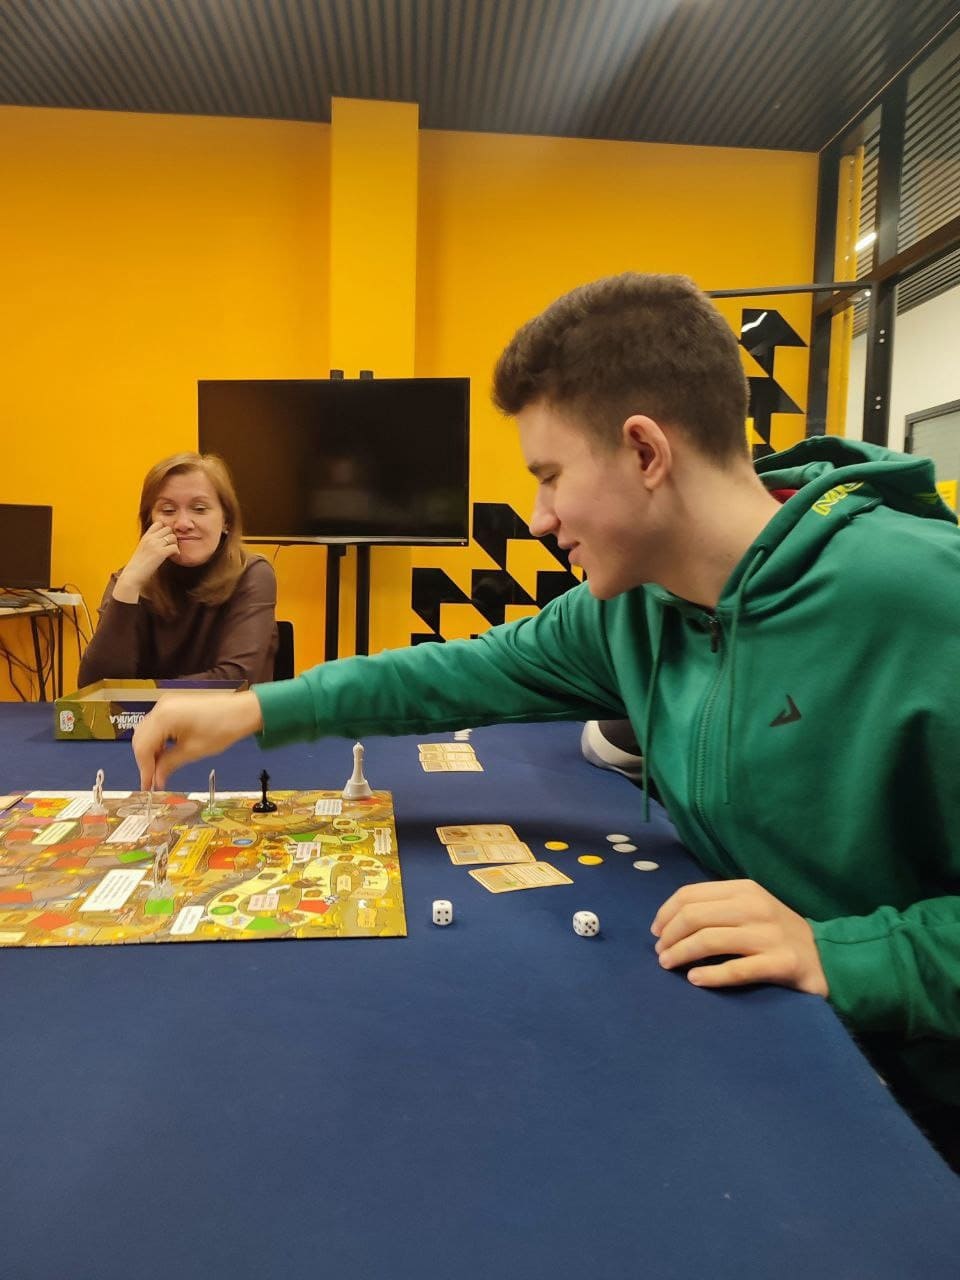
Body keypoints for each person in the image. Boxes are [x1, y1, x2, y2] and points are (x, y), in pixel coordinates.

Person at [131, 274, 960, 1169]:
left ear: (645, 451)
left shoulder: (926, 597)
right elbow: (453, 675)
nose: (539, 518)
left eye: (551, 477)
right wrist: (253, 707)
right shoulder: (630, 607)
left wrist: (842, 953)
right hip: (790, 1065)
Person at [78, 451, 278, 686]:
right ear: (149, 523)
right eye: (168, 510)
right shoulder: (129, 580)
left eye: (200, 509)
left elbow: (235, 680)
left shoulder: (252, 573)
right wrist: (128, 586)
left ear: (226, 520)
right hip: (147, 712)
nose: (183, 524)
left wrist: (144, 694)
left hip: (219, 712)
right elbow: (94, 689)